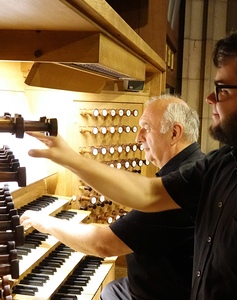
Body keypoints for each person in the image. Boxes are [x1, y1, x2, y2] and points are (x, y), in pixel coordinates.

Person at [21, 13, 237, 299]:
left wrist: (44, 221)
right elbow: (149, 194)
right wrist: (70, 158)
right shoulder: (227, 160)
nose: (210, 99)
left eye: (223, 89)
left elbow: (104, 244)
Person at [21, 95, 203, 300]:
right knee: (111, 289)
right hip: (157, 282)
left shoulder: (183, 185)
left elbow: (102, 244)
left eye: (146, 127)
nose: (138, 137)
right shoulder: (191, 168)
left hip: (165, 294)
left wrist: (45, 222)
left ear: (174, 133)